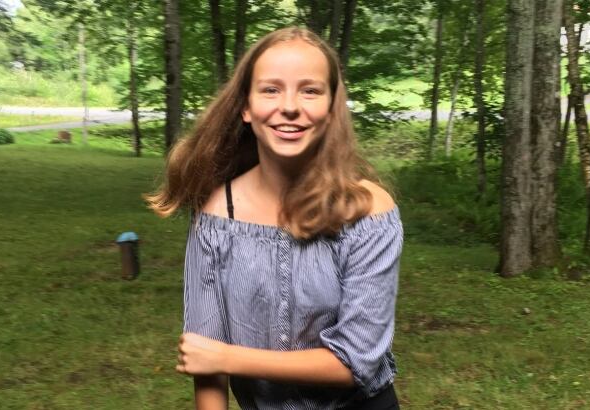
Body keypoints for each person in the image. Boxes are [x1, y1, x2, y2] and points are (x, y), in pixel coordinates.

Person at [147, 26, 402, 410]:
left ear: (332, 109)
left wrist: (228, 358)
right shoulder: (216, 215)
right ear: (246, 107)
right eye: (270, 89)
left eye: (310, 90)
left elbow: (357, 361)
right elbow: (205, 357)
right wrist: (214, 360)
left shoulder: (368, 211)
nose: (289, 106)